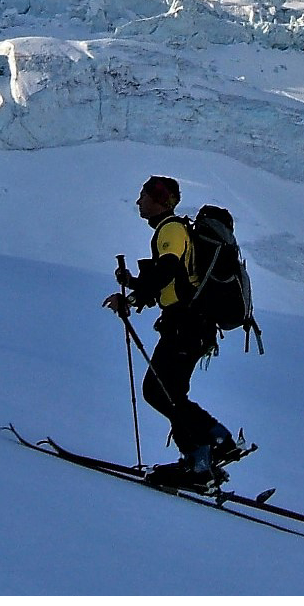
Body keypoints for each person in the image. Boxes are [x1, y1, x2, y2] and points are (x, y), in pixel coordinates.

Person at [102, 175, 240, 487]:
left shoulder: (171, 230)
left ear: (158, 200)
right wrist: (135, 289)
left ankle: (212, 446)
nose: (139, 202)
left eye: (143, 196)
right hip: (191, 324)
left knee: (159, 391)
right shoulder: (173, 230)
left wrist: (133, 295)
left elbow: (168, 270)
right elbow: (171, 281)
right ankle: (199, 458)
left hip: (186, 324)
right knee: (168, 392)